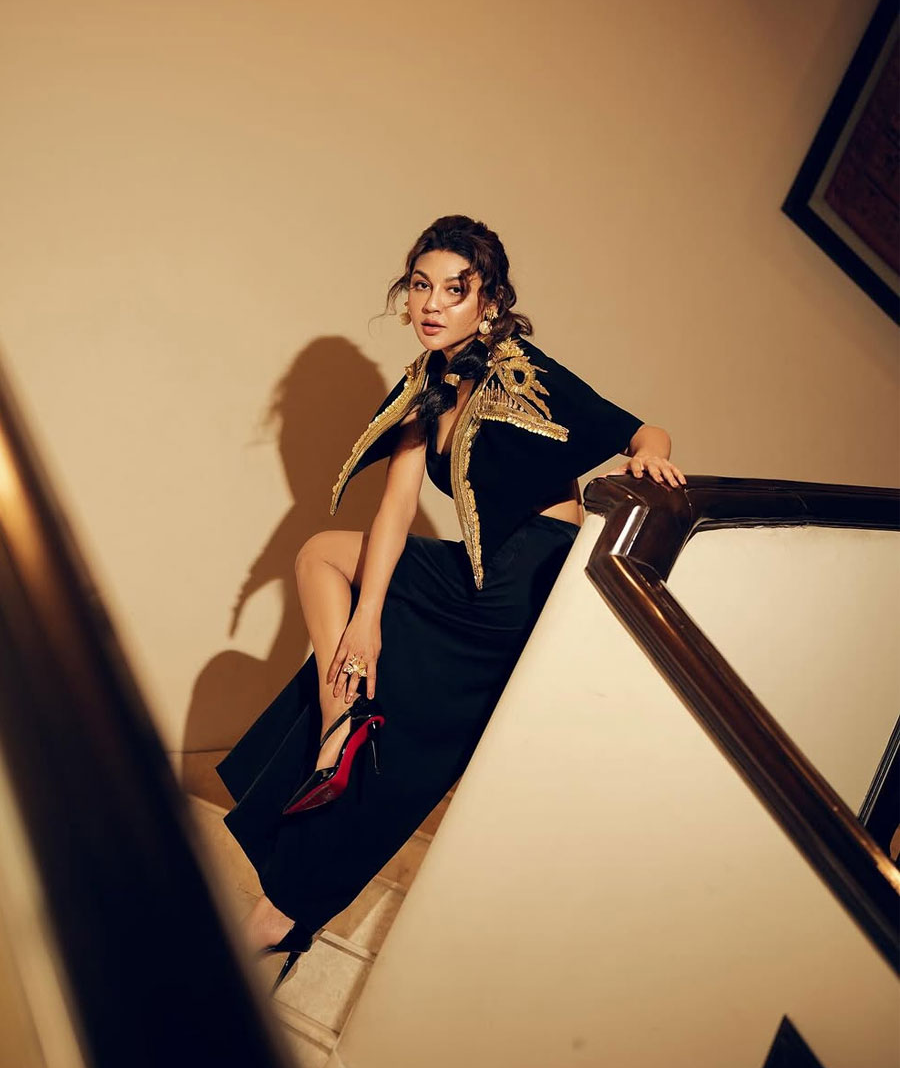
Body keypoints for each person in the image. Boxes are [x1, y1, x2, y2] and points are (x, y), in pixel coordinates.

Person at [216, 215, 686, 988]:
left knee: (323, 567)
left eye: (454, 290)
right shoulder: (425, 387)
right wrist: (363, 625)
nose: (432, 304)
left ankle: (336, 733)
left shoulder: (519, 370)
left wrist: (649, 461)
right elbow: (396, 508)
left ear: (488, 302)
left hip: (521, 580)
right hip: (474, 582)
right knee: (379, 749)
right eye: (421, 286)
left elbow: (646, 430)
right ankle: (291, 890)